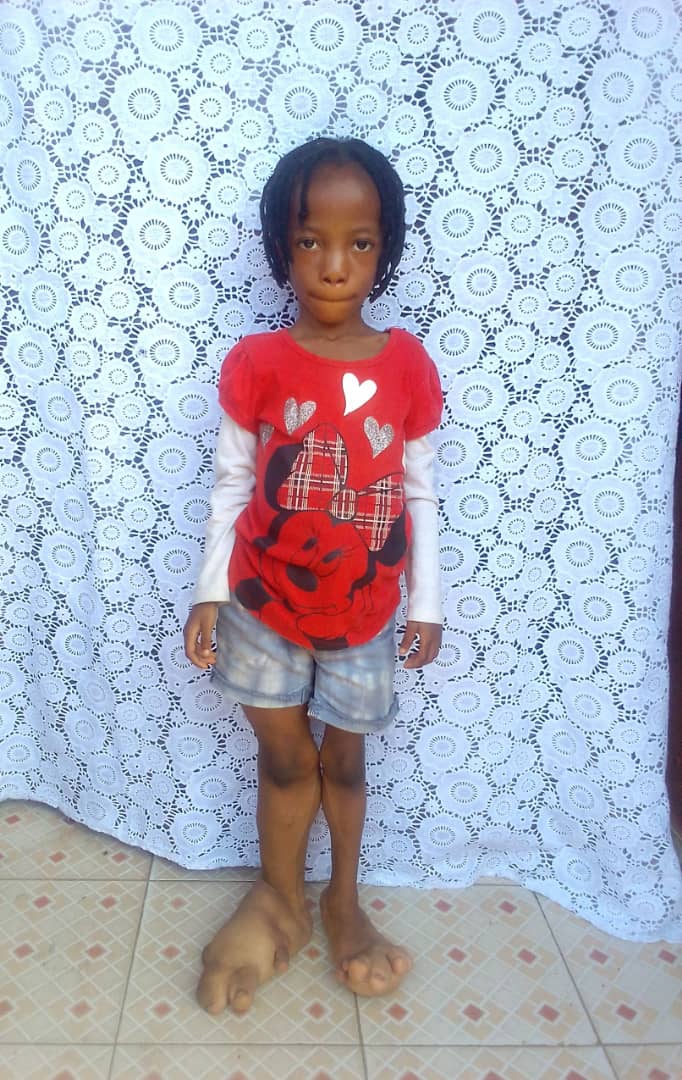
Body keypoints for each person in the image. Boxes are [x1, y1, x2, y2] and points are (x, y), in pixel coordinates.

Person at [183, 137, 443, 1015]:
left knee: (347, 761)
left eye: (359, 242)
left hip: (365, 611)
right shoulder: (257, 362)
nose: (335, 264)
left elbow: (418, 490)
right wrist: (209, 590)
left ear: (384, 247)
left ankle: (342, 902)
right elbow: (231, 484)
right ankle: (279, 897)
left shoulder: (406, 364)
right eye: (310, 240)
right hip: (261, 605)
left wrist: (427, 602)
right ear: (281, 247)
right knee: (285, 759)